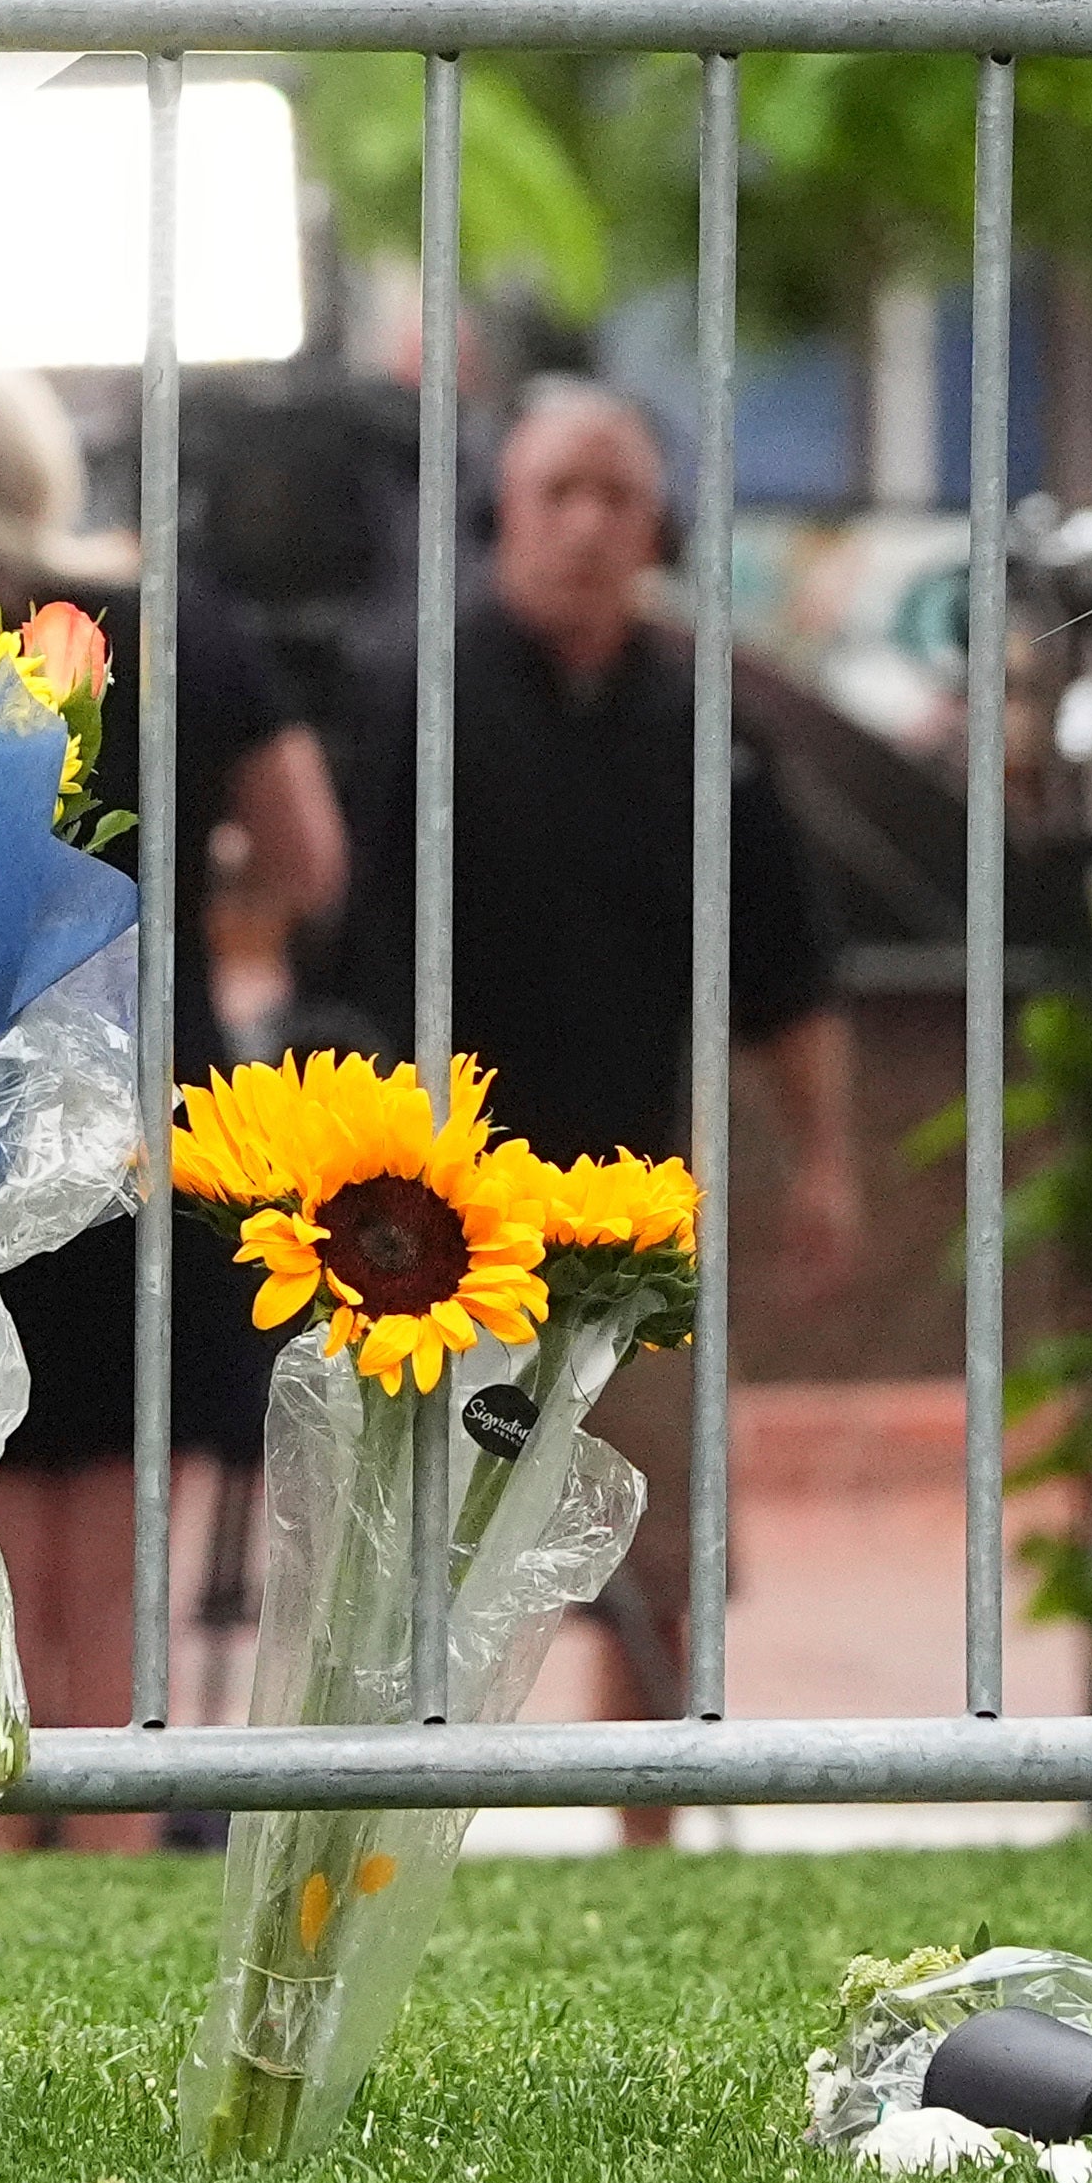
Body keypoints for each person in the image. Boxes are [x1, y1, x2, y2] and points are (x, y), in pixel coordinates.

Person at [0, 372, 345, 1852]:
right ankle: (104, 1864)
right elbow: (311, 855)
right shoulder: (176, 627)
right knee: (116, 1567)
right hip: (130, 1121)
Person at [307, 373, 867, 1741]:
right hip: (426, 1204)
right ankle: (402, 1804)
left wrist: (827, 1163)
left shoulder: (706, 719)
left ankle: (651, 1807)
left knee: (657, 1540)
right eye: (560, 489)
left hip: (633, 1199)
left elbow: (787, 970)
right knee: (416, 1541)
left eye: (617, 493)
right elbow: (325, 933)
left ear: (656, 523)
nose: (586, 522)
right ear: (506, 507)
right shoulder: (407, 687)